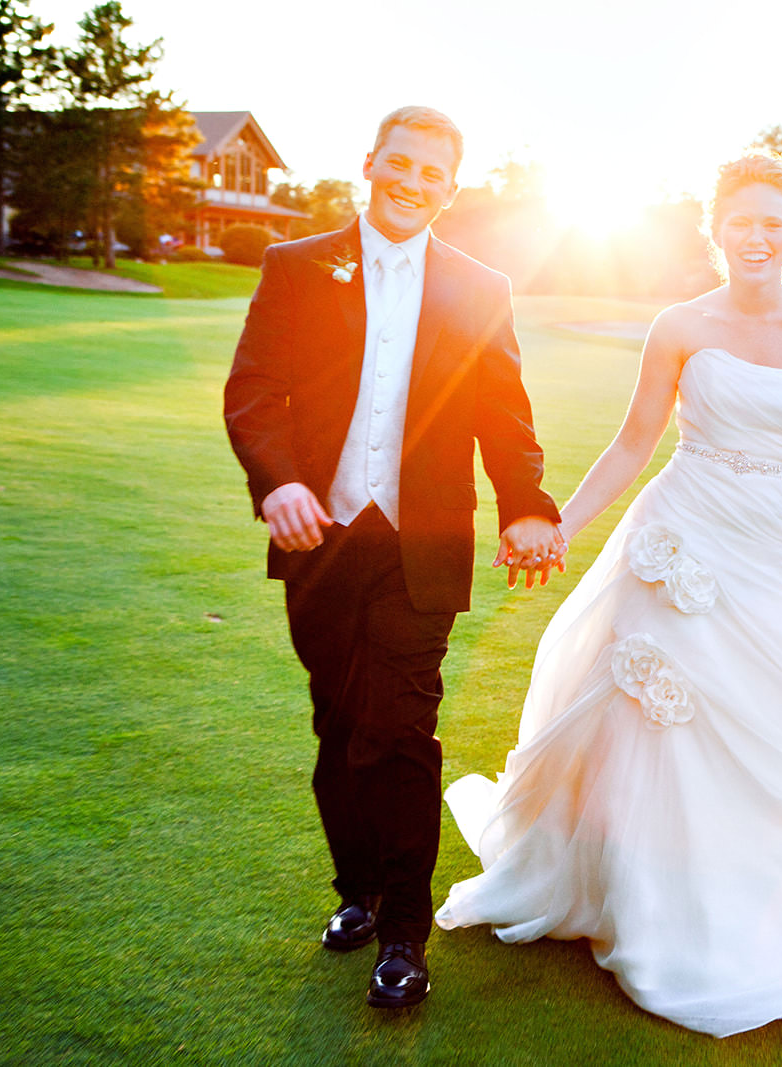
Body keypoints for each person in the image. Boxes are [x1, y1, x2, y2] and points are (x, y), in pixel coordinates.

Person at [435, 150, 782, 1036]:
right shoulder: (679, 324)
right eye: (742, 221)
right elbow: (632, 443)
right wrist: (561, 526)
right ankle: (641, 885)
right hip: (680, 532)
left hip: (769, 541)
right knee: (656, 706)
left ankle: (755, 875)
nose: (758, 236)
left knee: (774, 699)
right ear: (717, 231)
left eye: (774, 222)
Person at [223, 106, 564, 1011]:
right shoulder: (296, 266)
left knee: (401, 728)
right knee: (337, 724)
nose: (412, 182)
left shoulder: (482, 286)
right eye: (399, 163)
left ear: (451, 190)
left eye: (432, 173)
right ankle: (357, 893)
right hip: (320, 540)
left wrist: (528, 505)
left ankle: (406, 933)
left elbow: (506, 410)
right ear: (371, 163)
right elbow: (255, 389)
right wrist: (277, 482)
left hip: (425, 543)